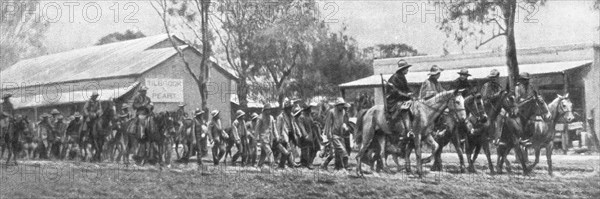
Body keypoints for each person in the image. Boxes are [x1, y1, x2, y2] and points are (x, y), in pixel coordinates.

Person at [385, 59, 414, 138]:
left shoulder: (402, 77)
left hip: (401, 98)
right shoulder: (394, 78)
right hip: (393, 100)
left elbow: (407, 88)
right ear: (402, 69)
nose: (407, 70)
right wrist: (406, 95)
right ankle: (407, 130)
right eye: (406, 68)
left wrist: (410, 93)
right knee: (404, 108)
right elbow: (395, 91)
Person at [321, 98, 351, 171]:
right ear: (337, 105)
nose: (342, 106)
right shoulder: (331, 112)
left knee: (336, 153)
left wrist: (345, 127)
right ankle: (345, 166)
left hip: (341, 135)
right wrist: (329, 135)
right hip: (333, 135)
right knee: (343, 152)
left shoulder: (343, 112)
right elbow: (328, 124)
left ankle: (335, 167)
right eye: (340, 105)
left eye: (342, 105)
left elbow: (343, 122)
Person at [275, 100, 299, 169]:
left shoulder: (291, 116)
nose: (290, 110)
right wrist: (278, 136)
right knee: (287, 149)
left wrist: (298, 132)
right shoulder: (281, 116)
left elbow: (294, 124)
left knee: (291, 148)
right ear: (286, 109)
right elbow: (278, 127)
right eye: (289, 108)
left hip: (291, 133)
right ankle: (290, 163)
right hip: (284, 134)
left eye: (291, 108)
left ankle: (286, 164)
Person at [255, 103, 278, 168]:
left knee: (264, 153)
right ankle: (272, 164)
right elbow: (257, 128)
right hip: (263, 137)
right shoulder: (260, 117)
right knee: (269, 151)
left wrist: (276, 136)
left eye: (270, 110)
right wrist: (256, 137)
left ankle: (259, 164)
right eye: (267, 110)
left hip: (270, 138)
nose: (269, 111)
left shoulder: (271, 118)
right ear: (264, 110)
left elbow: (274, 128)